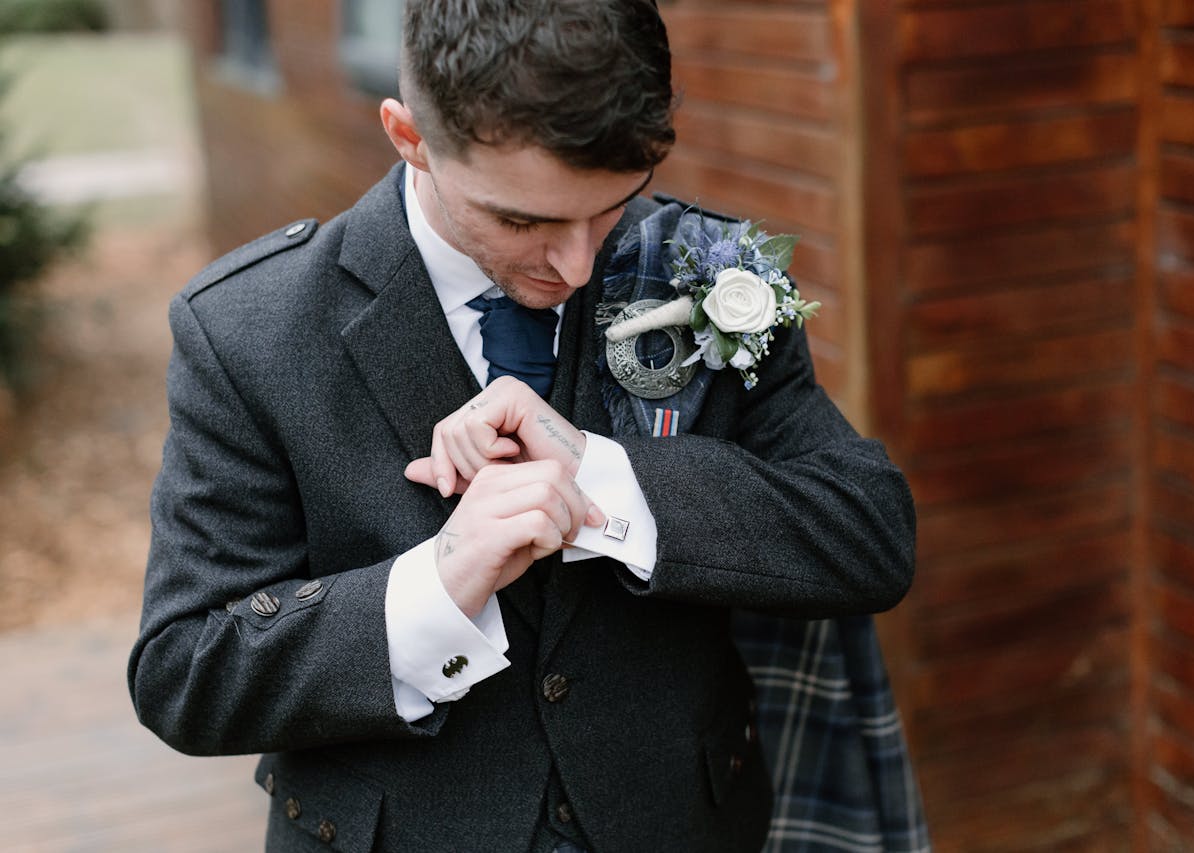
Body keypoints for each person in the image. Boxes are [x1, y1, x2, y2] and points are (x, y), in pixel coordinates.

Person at [128, 1, 919, 851]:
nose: (577, 263)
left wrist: (610, 485)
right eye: (521, 221)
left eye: (614, 205)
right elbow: (186, 669)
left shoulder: (710, 275)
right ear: (408, 137)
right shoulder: (251, 328)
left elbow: (868, 532)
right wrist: (436, 586)